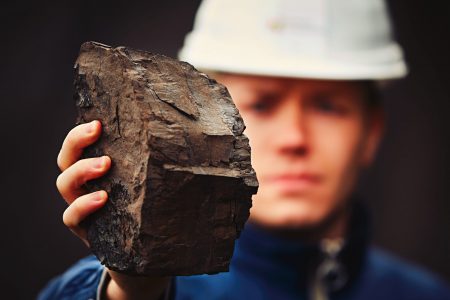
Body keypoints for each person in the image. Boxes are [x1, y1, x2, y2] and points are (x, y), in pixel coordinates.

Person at [39, 0, 450, 299]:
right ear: (196, 121)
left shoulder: (425, 294)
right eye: (261, 105)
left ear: (371, 131)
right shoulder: (143, 289)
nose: (294, 138)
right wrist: (133, 288)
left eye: (328, 107)